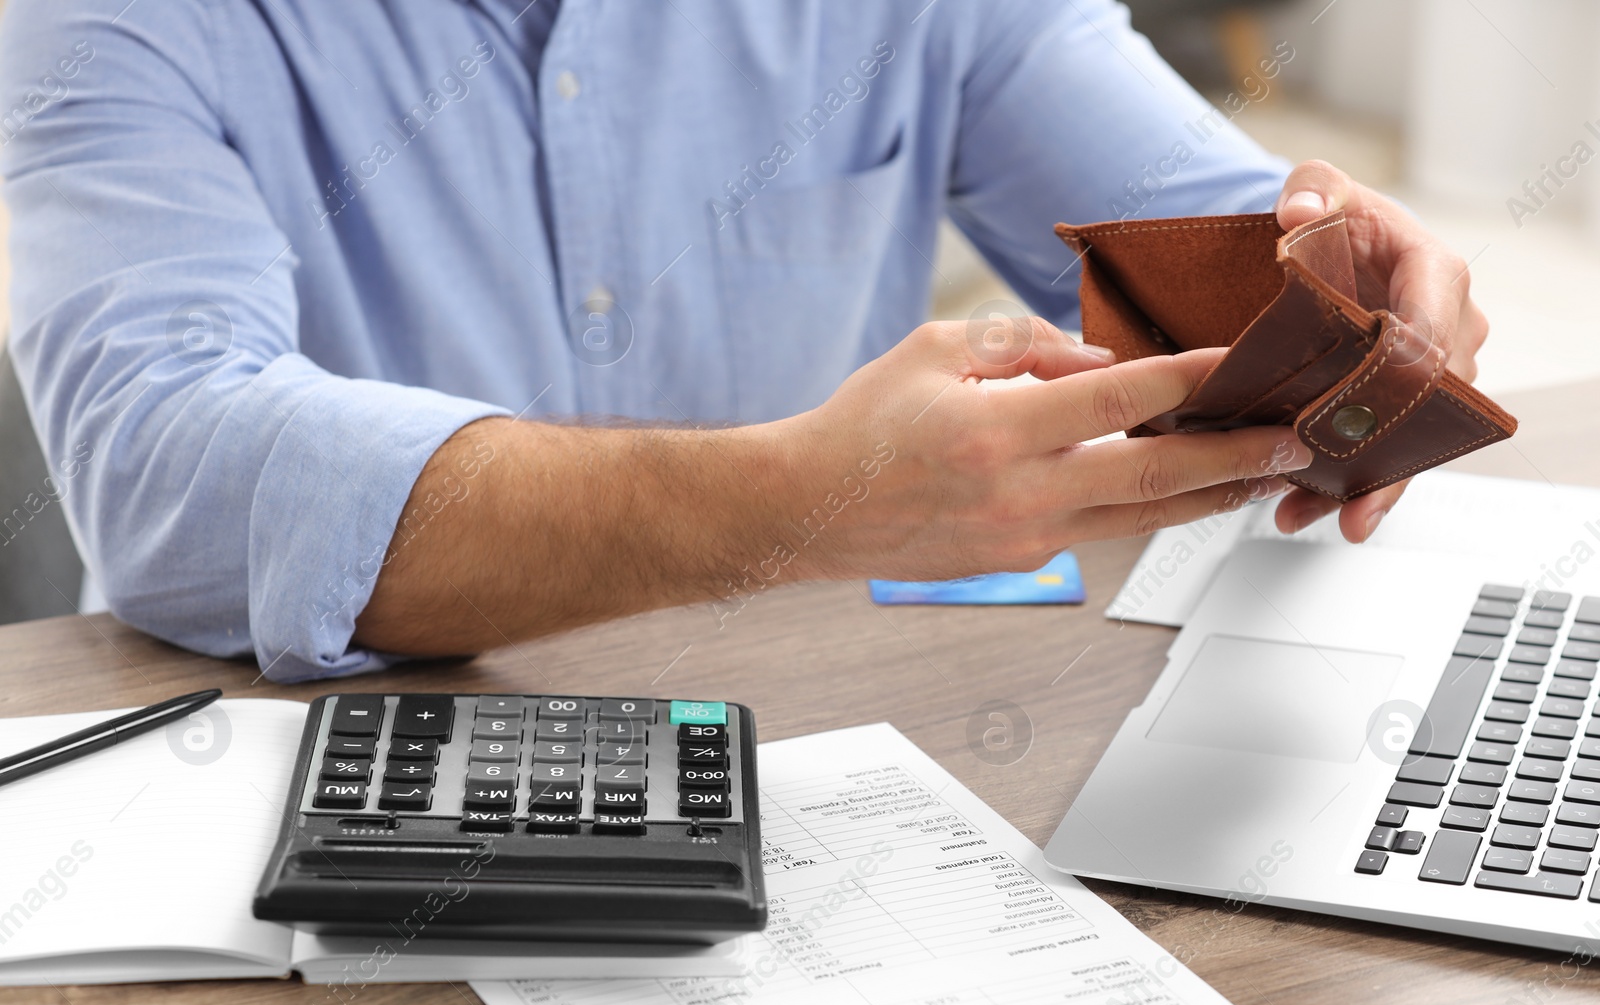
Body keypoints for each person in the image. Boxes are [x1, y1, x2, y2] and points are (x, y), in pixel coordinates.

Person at [0, 0, 1486, 681]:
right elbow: (163, 471)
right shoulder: (109, 20)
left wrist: (1342, 291)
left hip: (805, 737)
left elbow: (1198, 224)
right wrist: (793, 500)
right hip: (331, 777)